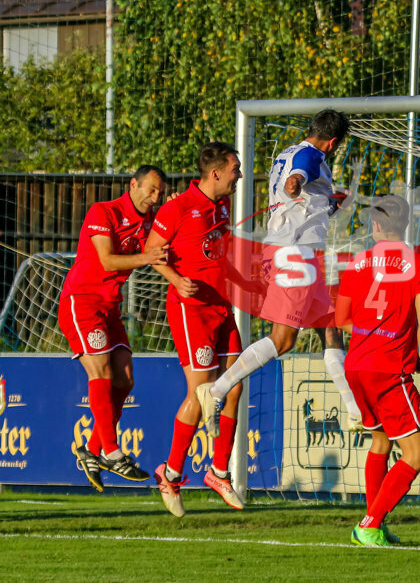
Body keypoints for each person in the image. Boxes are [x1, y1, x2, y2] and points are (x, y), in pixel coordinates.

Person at [195, 110, 358, 437]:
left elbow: (302, 201)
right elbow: (295, 181)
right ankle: (215, 390)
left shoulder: (287, 152)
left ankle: (356, 412)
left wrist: (327, 203)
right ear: (333, 142)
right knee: (283, 340)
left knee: (331, 330)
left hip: (301, 253)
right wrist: (295, 186)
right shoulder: (311, 156)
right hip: (294, 256)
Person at [144, 142, 250, 517]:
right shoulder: (177, 207)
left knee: (234, 387)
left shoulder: (223, 205)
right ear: (216, 172)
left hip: (222, 306)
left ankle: (218, 473)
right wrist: (177, 279)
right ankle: (171, 474)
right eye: (235, 168)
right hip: (191, 310)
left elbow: (218, 254)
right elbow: (152, 251)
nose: (240, 174)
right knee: (201, 392)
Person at [59, 165, 169, 491]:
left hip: (110, 307)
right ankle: (111, 450)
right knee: (102, 371)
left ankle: (92, 449)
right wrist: (147, 256)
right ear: (133, 184)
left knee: (125, 379)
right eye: (151, 189)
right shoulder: (103, 211)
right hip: (82, 301)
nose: (155, 197)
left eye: (160, 193)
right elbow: (107, 260)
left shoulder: (149, 221)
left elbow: (163, 246)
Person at [337, 195, 420, 548]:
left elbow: (342, 319)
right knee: (418, 453)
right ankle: (370, 524)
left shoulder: (357, 262)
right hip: (388, 367)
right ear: (405, 225)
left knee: (380, 441)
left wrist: (370, 336)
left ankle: (373, 526)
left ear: (375, 225)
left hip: (356, 366)